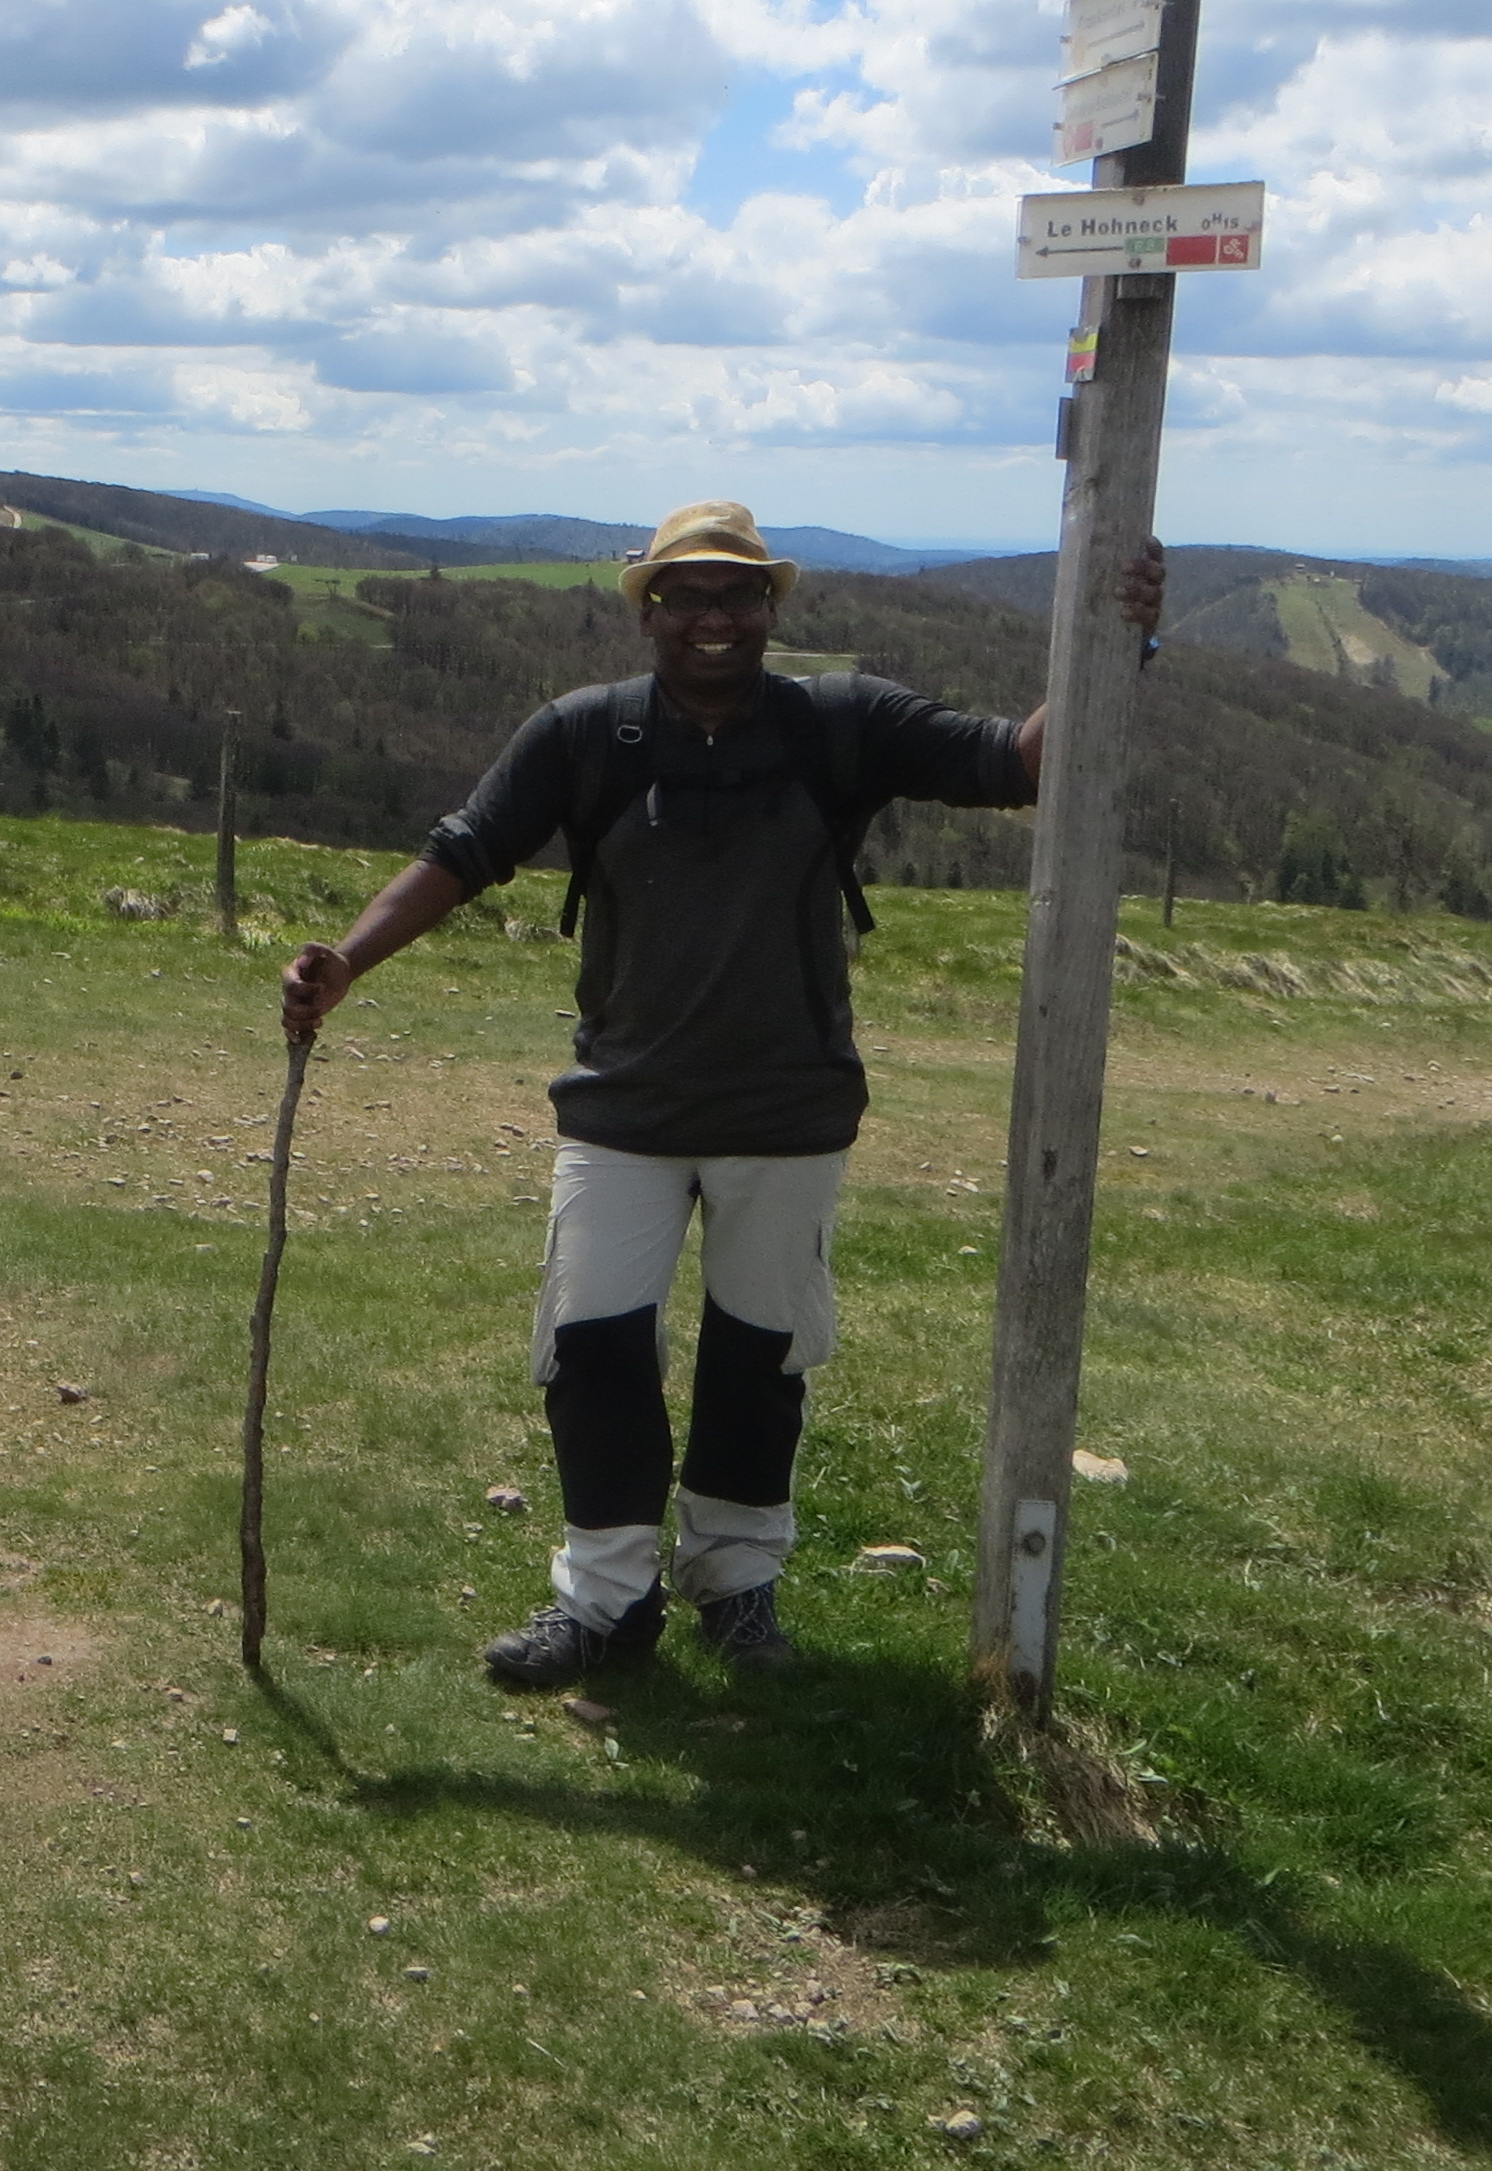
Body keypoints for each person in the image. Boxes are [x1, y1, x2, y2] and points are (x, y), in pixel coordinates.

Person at [278, 500, 1165, 1687]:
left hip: (785, 1114)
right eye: (685, 594)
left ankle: (736, 1587)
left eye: (737, 593)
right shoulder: (583, 735)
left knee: (759, 1360)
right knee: (592, 1351)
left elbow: (1018, 763)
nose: (713, 616)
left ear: (768, 608)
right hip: (622, 1110)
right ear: (647, 611)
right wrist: (347, 961)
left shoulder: (838, 722)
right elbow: (463, 851)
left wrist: (1120, 643)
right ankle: (604, 1603)